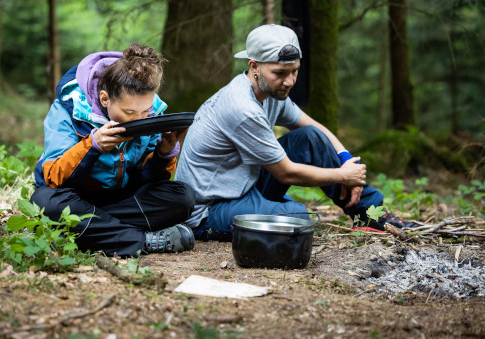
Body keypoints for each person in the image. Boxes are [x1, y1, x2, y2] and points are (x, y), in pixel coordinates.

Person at [174, 24, 416, 241]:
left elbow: (314, 128)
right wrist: (343, 176)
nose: (289, 81)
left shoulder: (272, 92)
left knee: (310, 137)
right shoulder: (241, 107)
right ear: (254, 66)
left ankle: (372, 214)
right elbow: (286, 173)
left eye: (295, 71)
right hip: (207, 211)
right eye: (279, 73)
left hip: (244, 187)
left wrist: (346, 161)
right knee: (299, 217)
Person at [31, 44, 196, 257]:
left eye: (144, 111)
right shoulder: (67, 109)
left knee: (183, 198)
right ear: (104, 99)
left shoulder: (152, 111)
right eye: (129, 112)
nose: (139, 119)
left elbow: (148, 179)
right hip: (75, 197)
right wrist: (92, 146)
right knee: (45, 203)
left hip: (120, 199)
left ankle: (81, 230)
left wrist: (164, 152)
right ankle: (141, 240)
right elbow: (53, 176)